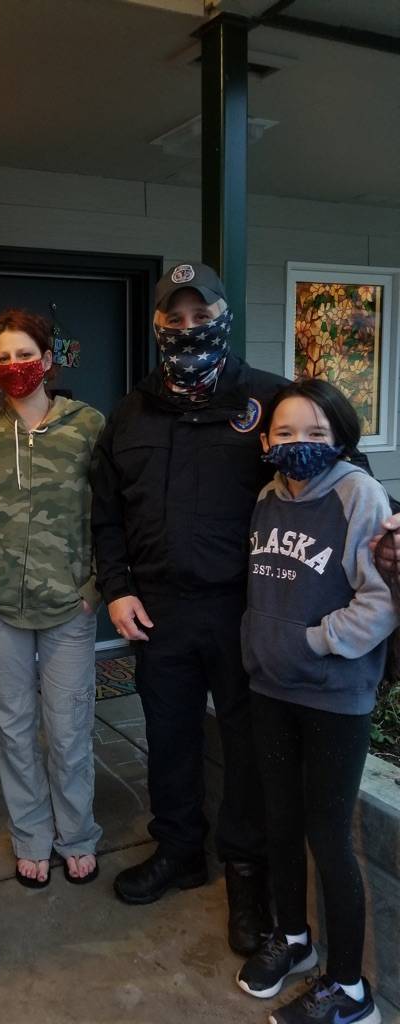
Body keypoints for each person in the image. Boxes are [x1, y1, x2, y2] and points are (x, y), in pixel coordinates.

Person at [91, 262, 287, 954]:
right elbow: (106, 513)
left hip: (243, 611)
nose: (187, 328)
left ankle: (245, 874)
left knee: (246, 751)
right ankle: (179, 851)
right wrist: (115, 587)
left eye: (201, 316)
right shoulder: (133, 410)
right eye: (174, 318)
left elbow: (322, 477)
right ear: (156, 326)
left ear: (224, 317)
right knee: (168, 741)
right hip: (159, 612)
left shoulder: (268, 401)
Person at [235, 378, 395, 1024]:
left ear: (340, 438)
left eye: (316, 433)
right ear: (266, 440)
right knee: (280, 821)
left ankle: (351, 988)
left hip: (334, 697)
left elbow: (382, 599)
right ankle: (294, 938)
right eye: (285, 433)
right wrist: (261, 643)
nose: (299, 444)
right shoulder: (267, 499)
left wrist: (315, 642)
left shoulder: (359, 494)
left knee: (328, 837)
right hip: (272, 689)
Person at [0, 308, 104, 888]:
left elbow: (113, 508)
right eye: (3, 357)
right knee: (14, 726)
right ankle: (31, 835)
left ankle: (76, 834)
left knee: (70, 727)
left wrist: (96, 584)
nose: (15, 366)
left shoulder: (88, 425)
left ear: (47, 361)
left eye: (25, 355)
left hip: (67, 603)